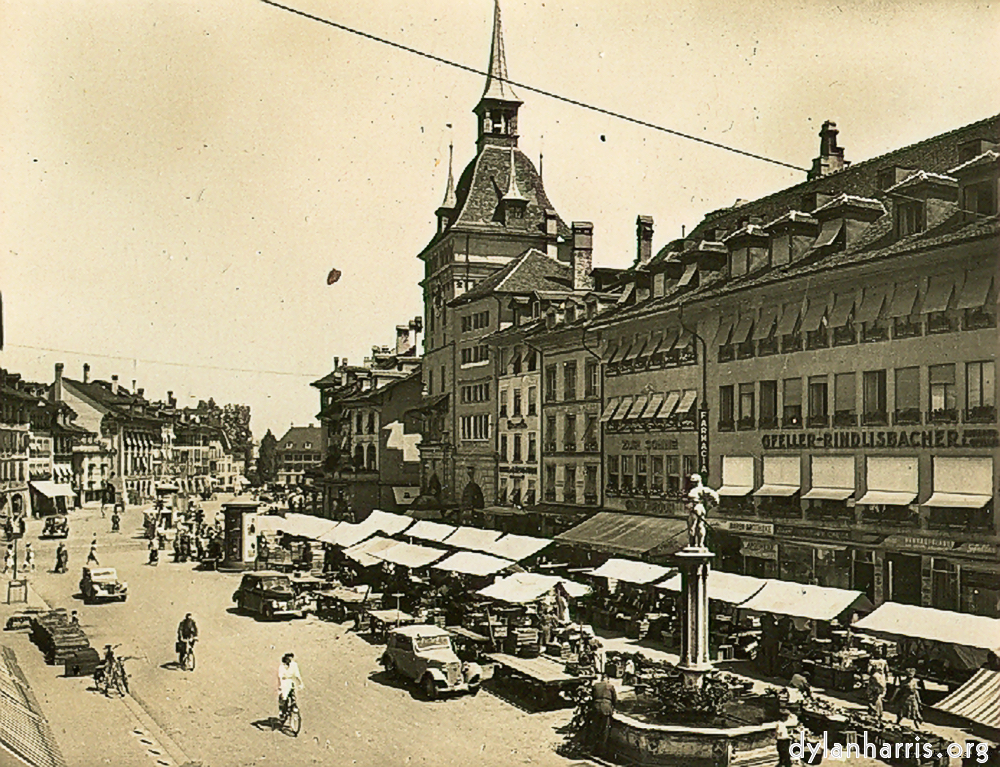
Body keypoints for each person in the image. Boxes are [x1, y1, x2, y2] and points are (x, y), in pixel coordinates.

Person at [588, 672, 617, 757]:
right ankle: (602, 750)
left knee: (595, 728)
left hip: (596, 707)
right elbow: (615, 699)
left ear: (601, 678)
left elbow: (592, 697)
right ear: (607, 679)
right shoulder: (610, 686)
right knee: (605, 729)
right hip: (606, 708)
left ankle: (592, 748)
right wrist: (613, 708)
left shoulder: (596, 685)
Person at [278, 653, 304, 719]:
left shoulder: (294, 665)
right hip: (284, 682)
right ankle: (282, 711)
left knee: (293, 695)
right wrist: (280, 685)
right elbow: (280, 677)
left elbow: (297, 674)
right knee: (283, 697)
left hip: (291, 681)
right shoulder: (282, 666)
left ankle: (293, 706)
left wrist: (301, 683)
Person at [867, 655, 889, 719]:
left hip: (874, 679)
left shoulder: (871, 661)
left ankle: (874, 711)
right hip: (882, 679)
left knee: (872, 696)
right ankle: (879, 712)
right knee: (879, 696)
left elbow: (868, 671)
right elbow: (887, 671)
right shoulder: (884, 661)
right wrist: (886, 679)